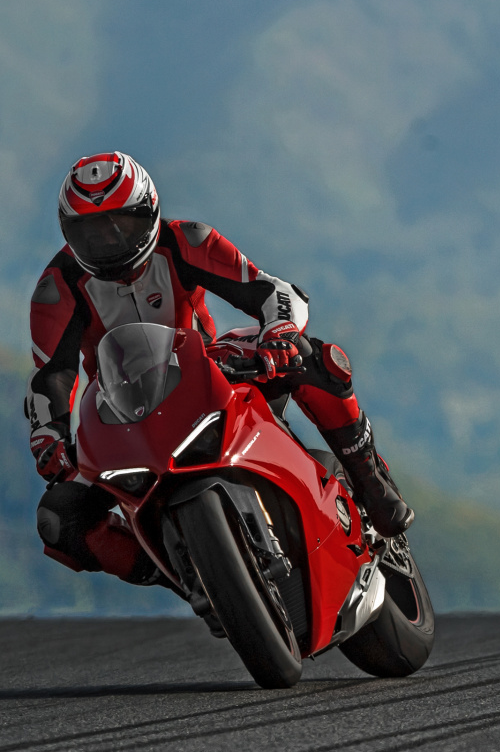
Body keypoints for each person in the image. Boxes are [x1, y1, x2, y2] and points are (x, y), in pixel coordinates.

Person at [24, 152, 413, 583]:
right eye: (92, 233)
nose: (110, 241)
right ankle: (184, 577)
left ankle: (369, 477)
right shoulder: (56, 287)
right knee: (60, 521)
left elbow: (269, 289)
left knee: (313, 357)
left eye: (123, 224)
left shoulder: (185, 239)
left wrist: (279, 333)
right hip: (123, 416)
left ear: (150, 210)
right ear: (68, 234)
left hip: (208, 372)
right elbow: (51, 377)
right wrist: (50, 436)